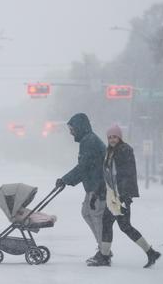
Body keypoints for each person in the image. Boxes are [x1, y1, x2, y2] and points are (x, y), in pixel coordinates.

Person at [87, 124, 161, 268]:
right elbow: (107, 176)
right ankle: (106, 255)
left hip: (120, 196)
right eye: (109, 137)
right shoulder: (110, 152)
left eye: (114, 137)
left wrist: (125, 196)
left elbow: (128, 174)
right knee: (111, 224)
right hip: (113, 196)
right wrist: (96, 194)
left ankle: (106, 256)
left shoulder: (124, 150)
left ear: (119, 137)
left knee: (123, 226)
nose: (112, 139)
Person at [55, 113, 107, 263]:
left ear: (79, 127)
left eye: (72, 129)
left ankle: (104, 252)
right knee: (87, 213)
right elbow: (85, 167)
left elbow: (83, 166)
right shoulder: (88, 140)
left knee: (96, 216)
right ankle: (103, 248)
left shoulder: (89, 141)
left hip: (98, 186)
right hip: (93, 185)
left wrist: (65, 180)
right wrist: (66, 181)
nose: (71, 132)